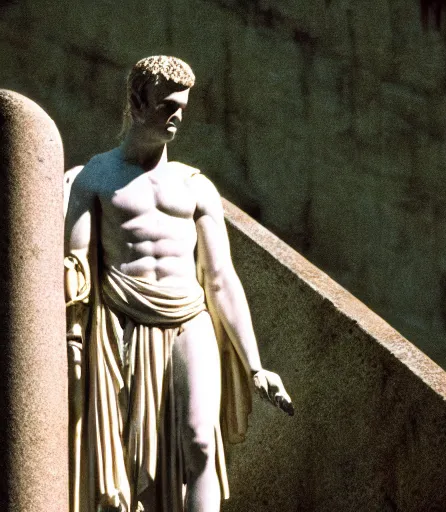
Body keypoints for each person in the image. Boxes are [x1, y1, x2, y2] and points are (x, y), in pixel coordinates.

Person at [64, 55, 293, 512]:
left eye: (184, 107)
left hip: (189, 318)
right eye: (168, 105)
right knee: (130, 465)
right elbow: (76, 269)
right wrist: (71, 342)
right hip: (123, 324)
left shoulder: (196, 187)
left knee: (200, 442)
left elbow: (220, 277)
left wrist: (254, 365)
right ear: (136, 100)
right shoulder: (94, 178)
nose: (178, 116)